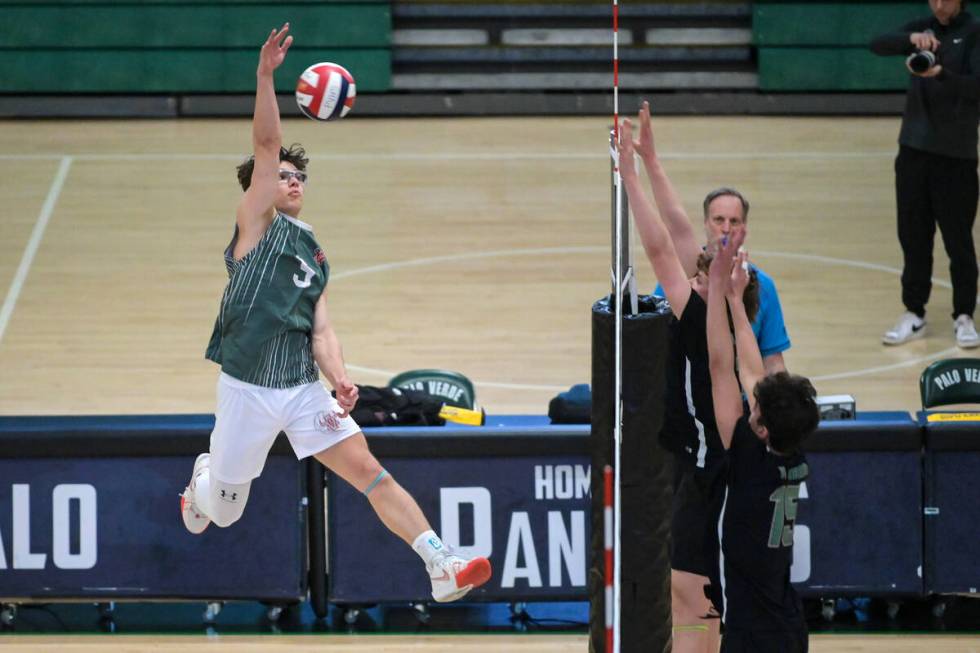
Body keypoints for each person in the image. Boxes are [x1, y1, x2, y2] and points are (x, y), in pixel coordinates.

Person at [179, 24, 491, 603]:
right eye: (281, 177)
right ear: (260, 188)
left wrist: (340, 379)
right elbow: (267, 148)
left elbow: (320, 328)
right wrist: (265, 76)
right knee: (220, 512)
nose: (291, 182)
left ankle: (440, 563)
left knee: (371, 472)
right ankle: (202, 483)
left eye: (299, 178)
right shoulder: (253, 228)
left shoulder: (313, 251)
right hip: (246, 388)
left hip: (300, 390)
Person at [619, 118, 759, 653]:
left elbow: (661, 247)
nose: (689, 276)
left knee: (689, 590)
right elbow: (680, 234)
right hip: (709, 460)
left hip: (709, 471)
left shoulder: (706, 318)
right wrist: (649, 161)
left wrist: (630, 172)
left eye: (699, 275)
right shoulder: (734, 309)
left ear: (711, 285)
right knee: (697, 590)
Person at [706, 230, 819, 653]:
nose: (750, 403)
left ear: (761, 429)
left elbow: (723, 368)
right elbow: (755, 378)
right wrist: (736, 302)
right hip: (787, 624)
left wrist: (720, 289)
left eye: (755, 408)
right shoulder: (791, 452)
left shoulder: (751, 462)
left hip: (752, 633)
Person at [634, 101, 791, 374]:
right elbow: (675, 228)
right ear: (705, 224)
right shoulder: (690, 274)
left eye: (734, 221)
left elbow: (773, 362)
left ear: (744, 228)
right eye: (719, 220)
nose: (726, 229)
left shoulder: (760, 285)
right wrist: (649, 162)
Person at [871, 0, 980, 348]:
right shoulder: (923, 26)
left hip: (956, 156)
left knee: (958, 239)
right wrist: (912, 40)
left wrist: (941, 74)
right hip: (913, 152)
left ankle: (964, 315)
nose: (938, 4)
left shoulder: (974, 33)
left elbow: (976, 88)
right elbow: (877, 44)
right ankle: (913, 312)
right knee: (914, 236)